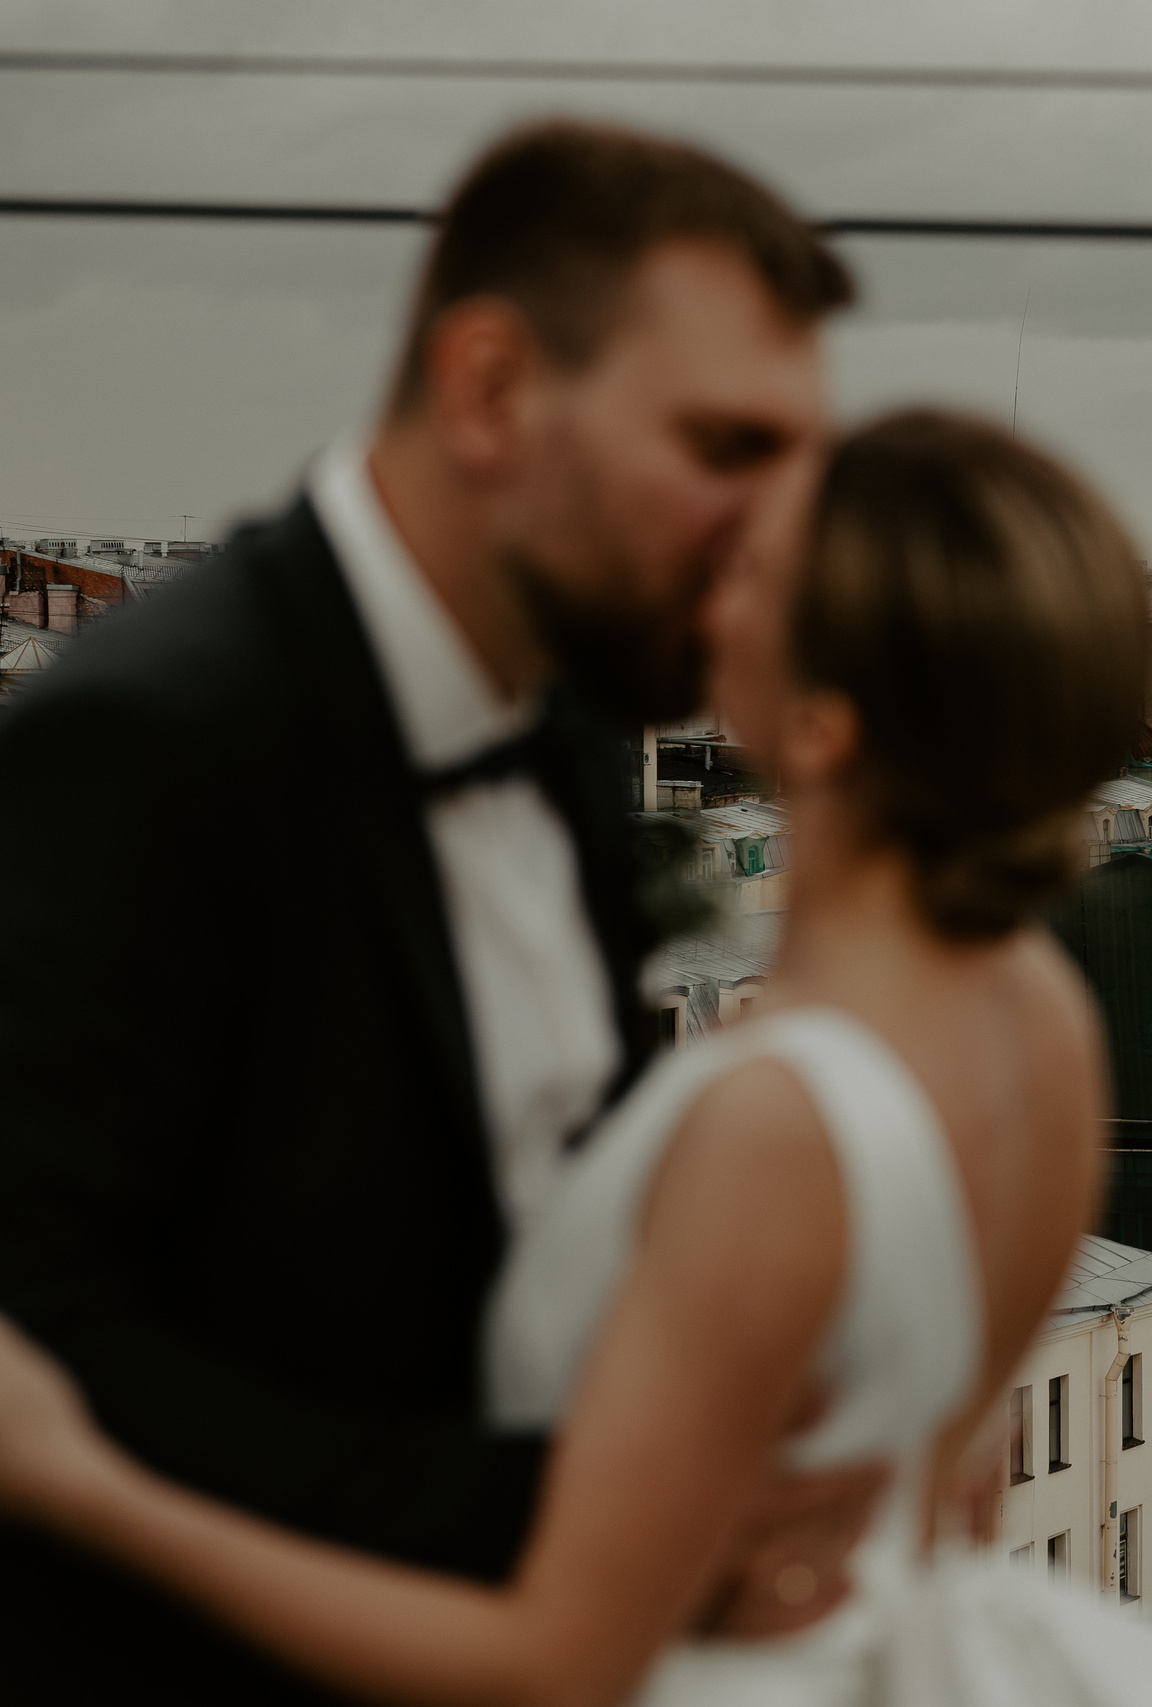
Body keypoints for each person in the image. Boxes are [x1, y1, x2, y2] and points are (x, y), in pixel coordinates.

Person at [0, 406, 1152, 1705]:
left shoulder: (774, 1119)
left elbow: (552, 1665)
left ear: (820, 726)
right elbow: (940, 1475)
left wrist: (80, 1478)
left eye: (750, 571)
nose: (706, 576)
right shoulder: (1037, 1013)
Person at [0, 121, 869, 1704]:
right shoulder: (148, 736)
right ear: (488, 391)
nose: (777, 530)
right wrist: (588, 1518)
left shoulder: (570, 724)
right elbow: (39, 1341)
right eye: (727, 447)